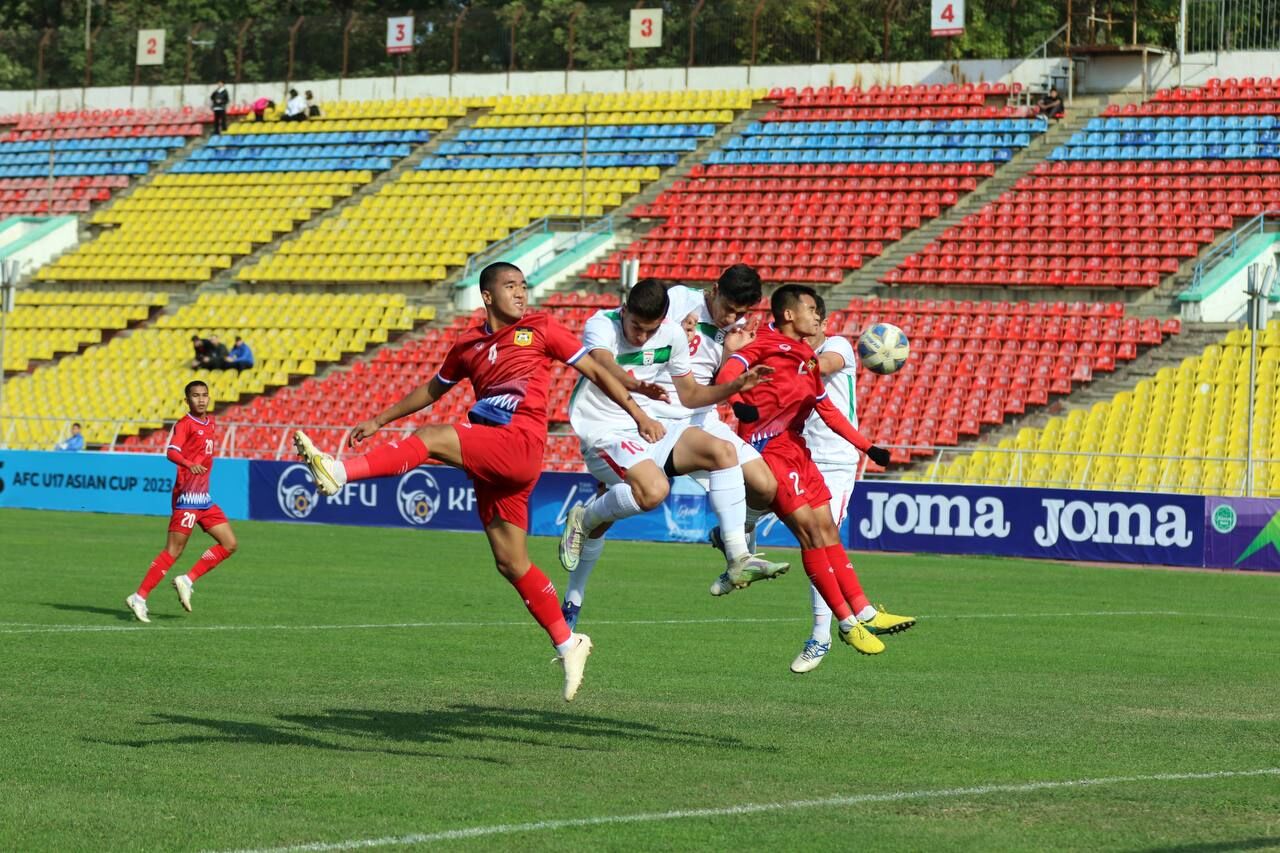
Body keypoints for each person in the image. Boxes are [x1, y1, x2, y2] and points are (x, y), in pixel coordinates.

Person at [293, 262, 664, 702]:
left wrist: (637, 412)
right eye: (511, 287)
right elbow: (432, 390)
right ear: (487, 296)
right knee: (511, 563)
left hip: (519, 442)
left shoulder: (541, 329)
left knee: (431, 438)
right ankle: (569, 642)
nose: (521, 294)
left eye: (523, 287)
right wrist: (379, 418)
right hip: (493, 458)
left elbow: (599, 371)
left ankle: (338, 473)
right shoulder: (468, 343)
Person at [555, 279, 784, 630]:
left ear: (664, 321)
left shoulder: (672, 335)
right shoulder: (601, 325)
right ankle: (582, 525)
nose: (642, 337)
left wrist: (735, 386)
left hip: (655, 422)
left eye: (651, 330)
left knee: (723, 453)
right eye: (635, 327)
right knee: (653, 491)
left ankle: (739, 556)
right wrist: (636, 393)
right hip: (605, 427)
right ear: (624, 311)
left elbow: (691, 395)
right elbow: (603, 368)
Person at [716, 284, 915, 657]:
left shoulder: (809, 354)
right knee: (812, 533)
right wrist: (739, 399)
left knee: (824, 531)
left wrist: (867, 446)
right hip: (768, 445)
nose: (817, 317)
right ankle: (839, 626)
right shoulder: (764, 343)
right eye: (811, 310)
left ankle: (864, 611)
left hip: (800, 449)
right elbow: (730, 369)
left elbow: (825, 406)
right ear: (790, 314)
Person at [790, 293, 865, 673]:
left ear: (820, 320)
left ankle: (821, 635)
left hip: (836, 461)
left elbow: (824, 364)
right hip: (800, 455)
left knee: (820, 540)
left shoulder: (839, 347)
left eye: (812, 316)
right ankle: (739, 548)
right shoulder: (793, 351)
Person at [126, 381, 238, 623]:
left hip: (204, 499)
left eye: (204, 395)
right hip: (187, 496)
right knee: (173, 551)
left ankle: (186, 580)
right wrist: (188, 464)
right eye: (195, 396)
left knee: (229, 544)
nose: (201, 399)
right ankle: (139, 597)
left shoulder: (211, 422)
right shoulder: (185, 424)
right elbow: (171, 451)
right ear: (187, 400)